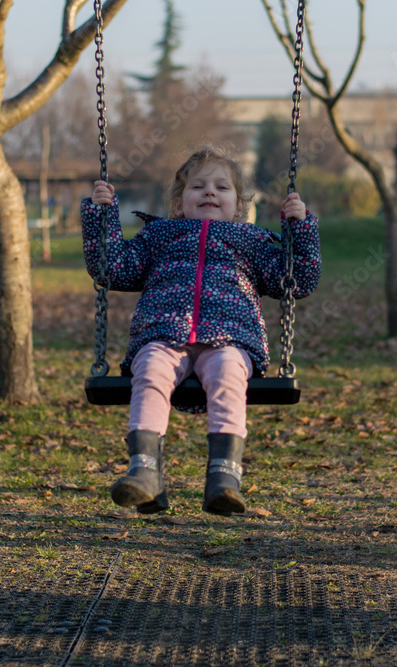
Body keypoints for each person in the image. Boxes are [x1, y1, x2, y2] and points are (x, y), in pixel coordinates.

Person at [81, 145, 321, 516]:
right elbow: (113, 269)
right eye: (198, 186)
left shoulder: (252, 241)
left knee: (228, 377)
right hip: (163, 335)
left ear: (239, 206)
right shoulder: (159, 236)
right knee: (150, 374)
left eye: (222, 188)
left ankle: (224, 477)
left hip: (230, 338)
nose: (210, 192)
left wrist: (300, 227)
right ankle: (144, 471)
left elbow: (296, 280)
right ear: (179, 202)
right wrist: (102, 216)